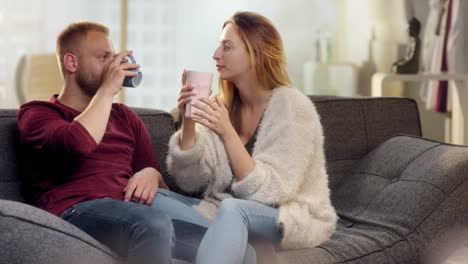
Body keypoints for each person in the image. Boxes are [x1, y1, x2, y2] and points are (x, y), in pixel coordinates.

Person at [149, 11, 337, 264]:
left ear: (255, 53)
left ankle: (231, 236)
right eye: (218, 46)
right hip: (223, 211)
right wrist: (189, 122)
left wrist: (227, 132)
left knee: (233, 210)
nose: (216, 54)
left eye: (227, 47)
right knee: (151, 198)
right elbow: (190, 181)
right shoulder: (222, 106)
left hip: (287, 216)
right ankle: (240, 247)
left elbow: (270, 193)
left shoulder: (293, 107)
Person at [17, 21, 175, 264]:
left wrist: (151, 173)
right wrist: (108, 90)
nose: (113, 66)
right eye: (103, 57)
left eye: (113, 57)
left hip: (132, 213)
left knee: (234, 246)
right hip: (74, 212)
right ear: (72, 63)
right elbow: (78, 143)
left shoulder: (125, 117)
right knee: (152, 223)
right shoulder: (38, 113)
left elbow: (161, 188)